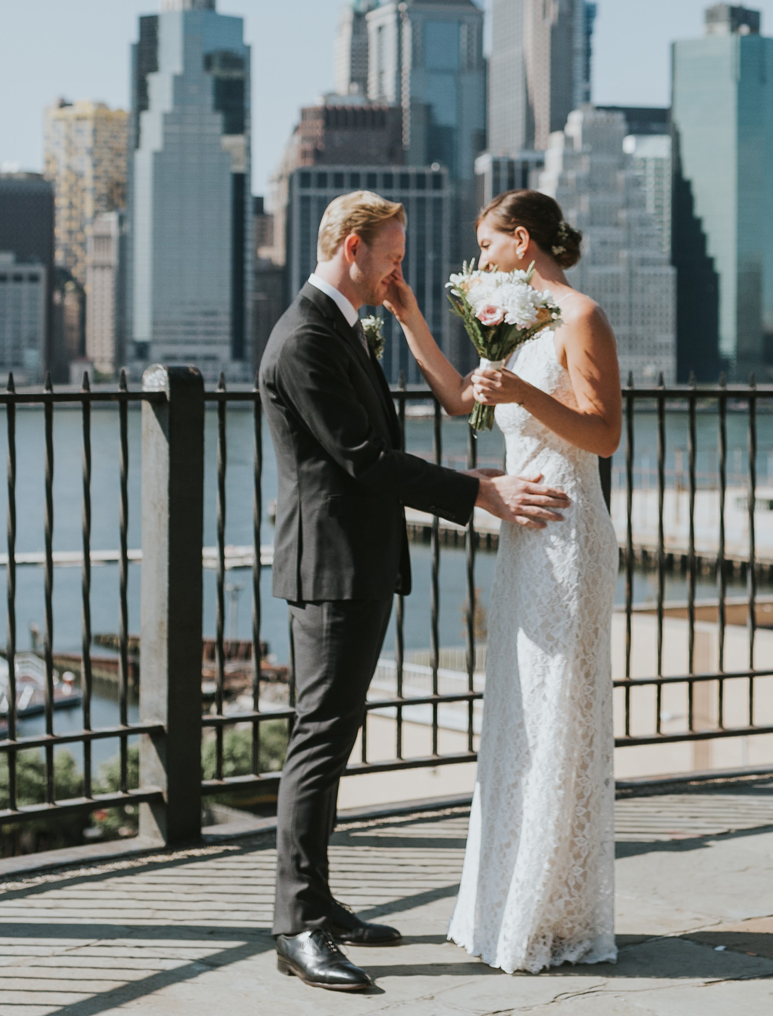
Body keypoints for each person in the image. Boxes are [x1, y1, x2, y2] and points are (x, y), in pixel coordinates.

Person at [259, 190, 572, 993]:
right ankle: (296, 926)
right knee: (318, 739)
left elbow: (369, 455)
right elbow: (363, 457)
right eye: (393, 254)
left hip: (357, 560)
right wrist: (478, 496)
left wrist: (461, 479)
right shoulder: (304, 338)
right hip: (331, 568)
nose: (402, 269)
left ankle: (319, 904)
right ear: (353, 248)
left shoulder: (340, 327)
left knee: (334, 734)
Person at [384, 188, 622, 974]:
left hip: (569, 538)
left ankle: (554, 911)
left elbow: (605, 433)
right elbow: (462, 401)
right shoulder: (514, 324)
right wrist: (414, 319)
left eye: (487, 246)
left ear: (521, 241)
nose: (481, 260)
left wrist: (524, 392)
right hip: (521, 540)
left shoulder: (581, 317)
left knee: (560, 716)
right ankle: (508, 899)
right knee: (520, 717)